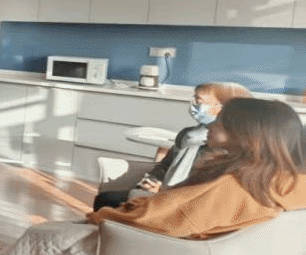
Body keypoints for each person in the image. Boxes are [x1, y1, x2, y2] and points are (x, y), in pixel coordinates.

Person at [0, 98, 306, 255]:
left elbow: (160, 219)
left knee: (47, 233)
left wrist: (105, 215)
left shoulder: (233, 184)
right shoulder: (284, 182)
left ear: (248, 135)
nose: (211, 123)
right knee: (70, 228)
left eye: (221, 121)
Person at [92, 82, 251, 210]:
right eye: (194, 99)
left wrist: (163, 191)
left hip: (182, 202)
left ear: (224, 107)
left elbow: (206, 191)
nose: (193, 104)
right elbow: (164, 165)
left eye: (199, 101)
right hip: (164, 192)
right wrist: (145, 184)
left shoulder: (228, 149)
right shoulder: (187, 135)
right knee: (105, 199)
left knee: (108, 202)